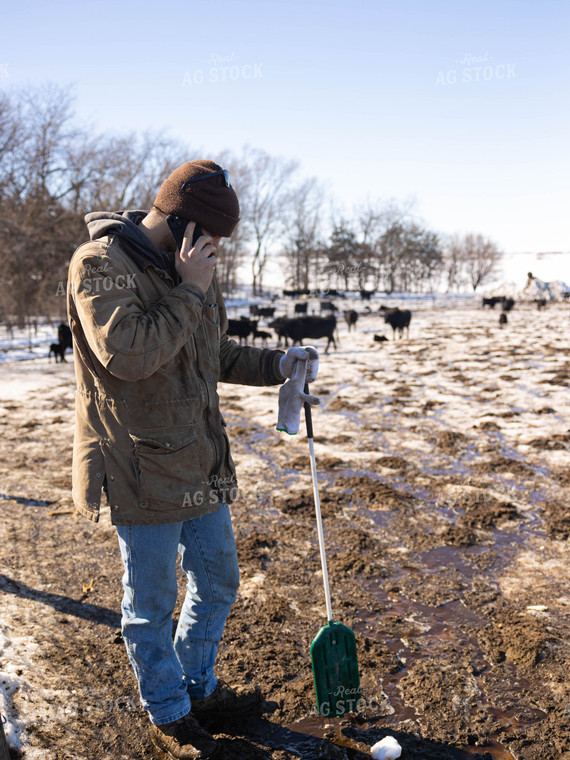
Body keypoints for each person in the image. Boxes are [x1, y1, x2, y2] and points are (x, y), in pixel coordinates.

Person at [66, 160, 318, 760]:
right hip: (140, 467)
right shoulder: (99, 265)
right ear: (181, 222)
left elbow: (213, 355)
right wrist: (188, 288)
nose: (217, 250)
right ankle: (170, 713)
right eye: (212, 236)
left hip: (200, 462)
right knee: (149, 604)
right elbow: (129, 354)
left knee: (218, 579)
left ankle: (195, 687)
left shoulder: (194, 271)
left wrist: (277, 366)